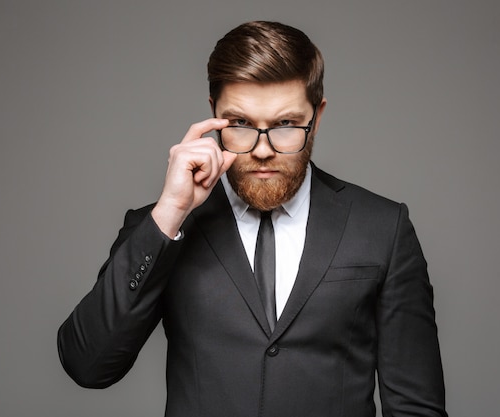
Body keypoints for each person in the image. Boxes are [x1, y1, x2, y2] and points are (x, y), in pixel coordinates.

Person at [58, 21, 448, 417]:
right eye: (241, 124)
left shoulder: (382, 226)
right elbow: (87, 365)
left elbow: (417, 408)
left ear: (318, 115)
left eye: (285, 124)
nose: (263, 150)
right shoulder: (166, 224)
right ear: (213, 114)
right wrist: (169, 213)